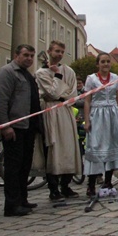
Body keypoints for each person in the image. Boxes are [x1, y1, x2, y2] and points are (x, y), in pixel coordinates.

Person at [0, 44, 41, 217]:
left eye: (31, 56)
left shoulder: (27, 75)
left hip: (28, 127)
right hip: (14, 127)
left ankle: (22, 199)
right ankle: (11, 205)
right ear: (16, 55)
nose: (29, 58)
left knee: (24, 166)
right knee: (13, 167)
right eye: (26, 55)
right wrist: (5, 125)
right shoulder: (7, 73)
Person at [35, 40, 82, 201]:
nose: (59, 54)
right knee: (53, 149)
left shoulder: (69, 70)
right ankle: (53, 188)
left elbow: (72, 93)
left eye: (62, 51)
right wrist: (58, 77)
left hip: (66, 111)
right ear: (49, 51)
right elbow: (53, 94)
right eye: (57, 51)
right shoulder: (41, 73)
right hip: (51, 112)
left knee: (69, 147)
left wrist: (63, 91)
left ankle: (66, 185)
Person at [83, 53, 118, 197]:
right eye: (102, 62)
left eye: (108, 61)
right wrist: (87, 120)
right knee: (95, 146)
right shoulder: (91, 79)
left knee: (111, 145)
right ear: (98, 64)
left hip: (113, 114)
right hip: (97, 114)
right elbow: (87, 101)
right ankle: (91, 184)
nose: (105, 64)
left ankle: (108, 182)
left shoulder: (115, 78)